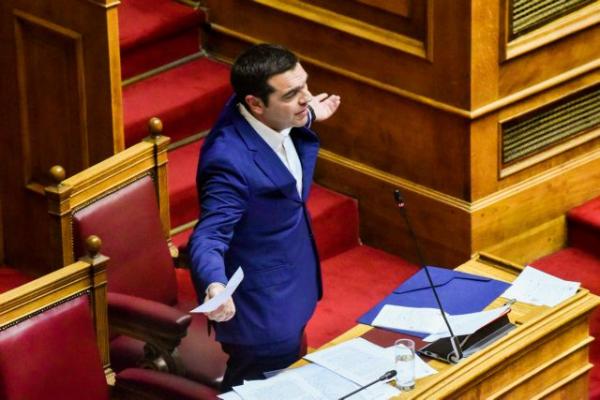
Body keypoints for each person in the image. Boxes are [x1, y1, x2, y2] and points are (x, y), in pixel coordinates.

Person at [188, 43, 341, 391]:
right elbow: (209, 235)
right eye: (292, 95)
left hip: (294, 284)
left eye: (305, 85)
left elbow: (292, 110)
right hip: (263, 310)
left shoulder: (265, 110)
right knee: (259, 390)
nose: (306, 98)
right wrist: (215, 284)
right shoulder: (228, 161)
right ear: (255, 104)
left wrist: (307, 114)